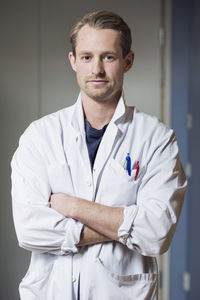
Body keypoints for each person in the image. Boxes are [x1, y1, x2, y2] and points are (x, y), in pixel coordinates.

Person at [11, 11, 187, 300]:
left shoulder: (156, 139)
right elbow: (30, 230)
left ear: (127, 61)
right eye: (86, 57)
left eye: (108, 57)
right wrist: (126, 225)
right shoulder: (39, 136)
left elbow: (156, 232)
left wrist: (74, 207)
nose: (97, 69)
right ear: (73, 62)